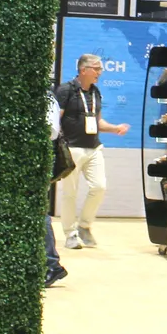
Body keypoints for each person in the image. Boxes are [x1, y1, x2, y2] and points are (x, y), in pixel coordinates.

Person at [55, 53, 129, 248]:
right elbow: (56, 120)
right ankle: (70, 234)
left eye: (100, 68)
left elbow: (96, 122)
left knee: (99, 187)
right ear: (83, 70)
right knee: (70, 193)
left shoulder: (95, 92)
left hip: (94, 148)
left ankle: (84, 226)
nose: (99, 72)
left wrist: (114, 128)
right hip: (71, 148)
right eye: (96, 68)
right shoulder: (65, 90)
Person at [44, 91, 68, 287]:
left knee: (39, 213)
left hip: (38, 162)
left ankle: (52, 264)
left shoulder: (47, 97)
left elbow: (51, 131)